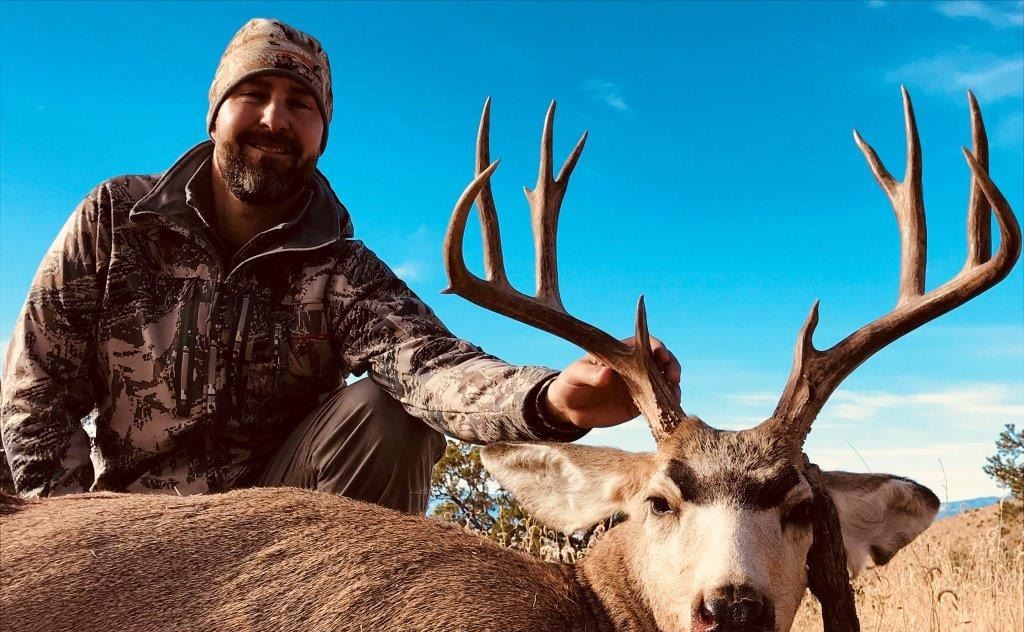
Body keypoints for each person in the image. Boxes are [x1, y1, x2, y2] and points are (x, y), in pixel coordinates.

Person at [0, 19, 679, 512]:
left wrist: (556, 400)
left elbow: (435, 370)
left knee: (390, 416)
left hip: (279, 533)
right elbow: (36, 390)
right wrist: (74, 535)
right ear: (216, 113)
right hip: (125, 530)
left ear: (321, 134)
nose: (275, 118)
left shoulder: (341, 268)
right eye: (254, 94)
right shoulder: (117, 218)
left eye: (301, 104)